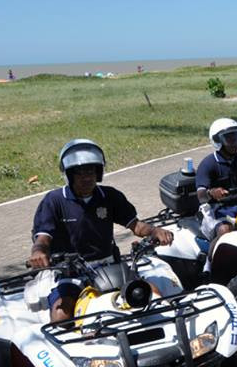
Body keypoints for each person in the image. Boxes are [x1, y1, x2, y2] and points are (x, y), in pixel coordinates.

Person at [28, 139, 174, 324]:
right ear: (69, 174)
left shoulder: (110, 196)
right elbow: (43, 237)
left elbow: (135, 225)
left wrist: (154, 230)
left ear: (99, 172)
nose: (86, 177)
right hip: (71, 272)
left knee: (153, 296)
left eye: (91, 170)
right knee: (61, 316)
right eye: (80, 172)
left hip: (111, 268)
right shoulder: (54, 201)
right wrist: (38, 251)